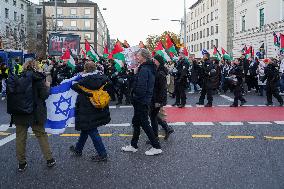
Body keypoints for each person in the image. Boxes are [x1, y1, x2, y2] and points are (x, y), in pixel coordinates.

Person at [7, 60, 55, 172]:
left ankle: (21, 163)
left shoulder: (17, 78)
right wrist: (47, 86)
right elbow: (44, 95)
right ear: (36, 67)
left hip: (20, 113)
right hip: (35, 112)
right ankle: (49, 159)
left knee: (20, 137)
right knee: (41, 135)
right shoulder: (37, 79)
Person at [121, 48, 162, 156]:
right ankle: (133, 145)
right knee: (136, 122)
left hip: (141, 100)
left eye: (138, 55)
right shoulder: (147, 67)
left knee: (144, 124)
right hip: (142, 100)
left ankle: (156, 146)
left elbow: (140, 87)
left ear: (143, 57)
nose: (136, 57)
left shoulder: (144, 69)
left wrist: (135, 96)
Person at [70, 62, 111, 162]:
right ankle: (78, 149)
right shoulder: (102, 77)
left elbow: (73, 86)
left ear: (85, 69)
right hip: (97, 107)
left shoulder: (81, 81)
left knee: (92, 131)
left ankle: (102, 154)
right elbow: (110, 83)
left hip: (86, 109)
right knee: (86, 129)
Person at [149, 54, 174, 141]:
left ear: (159, 62)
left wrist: (158, 101)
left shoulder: (160, 73)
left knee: (153, 116)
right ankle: (166, 129)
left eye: (155, 60)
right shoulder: (158, 70)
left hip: (158, 99)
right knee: (153, 116)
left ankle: (156, 136)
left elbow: (162, 89)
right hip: (156, 98)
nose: (153, 61)